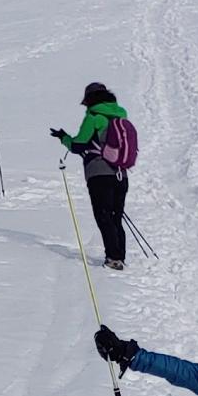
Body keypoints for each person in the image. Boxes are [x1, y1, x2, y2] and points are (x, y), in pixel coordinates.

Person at [50, 82, 132, 269]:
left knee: (104, 216)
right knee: (116, 216)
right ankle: (119, 256)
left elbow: (79, 145)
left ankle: (113, 258)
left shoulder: (94, 117)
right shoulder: (121, 116)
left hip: (99, 174)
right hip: (121, 173)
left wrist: (64, 137)